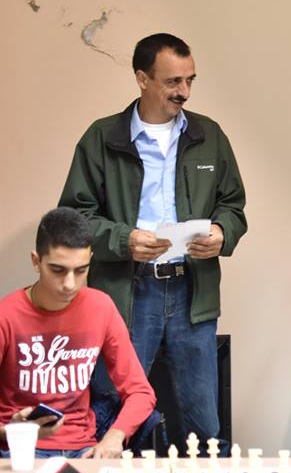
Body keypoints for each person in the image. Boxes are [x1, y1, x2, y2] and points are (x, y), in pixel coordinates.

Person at [58, 33, 246, 450]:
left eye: (190, 80)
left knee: (203, 422)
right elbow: (74, 217)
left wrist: (222, 232)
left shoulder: (209, 135)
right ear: (142, 79)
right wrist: (124, 240)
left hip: (191, 289)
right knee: (112, 412)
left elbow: (233, 205)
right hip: (127, 292)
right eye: (173, 81)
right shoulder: (101, 138)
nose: (185, 91)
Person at [0, 208, 155, 458]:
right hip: (20, 449)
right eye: (58, 270)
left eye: (81, 270)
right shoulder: (6, 315)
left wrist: (114, 437)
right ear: (36, 261)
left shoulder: (101, 307)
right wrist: (10, 432)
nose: (70, 284)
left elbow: (140, 392)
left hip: (83, 448)